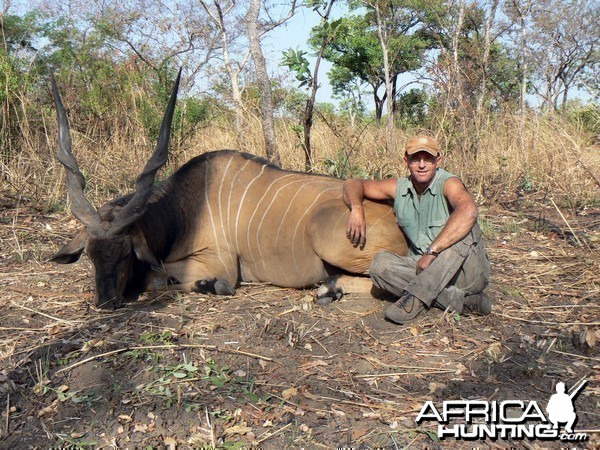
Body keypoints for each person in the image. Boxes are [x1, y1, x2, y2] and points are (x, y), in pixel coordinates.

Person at [343, 134, 491, 324]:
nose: (422, 165)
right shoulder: (399, 187)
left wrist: (432, 251)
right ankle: (459, 301)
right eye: (416, 159)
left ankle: (414, 300)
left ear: (438, 161)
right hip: (425, 271)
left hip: (465, 273)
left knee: (465, 227)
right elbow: (353, 184)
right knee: (379, 265)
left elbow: (469, 211)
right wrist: (356, 208)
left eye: (428, 159)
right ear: (406, 161)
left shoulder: (448, 182)